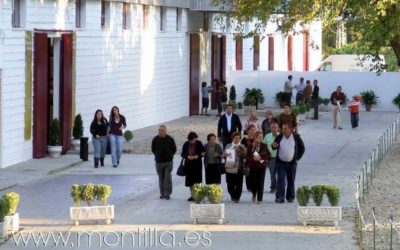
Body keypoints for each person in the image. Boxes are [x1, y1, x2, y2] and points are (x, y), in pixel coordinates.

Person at [272, 123, 305, 203]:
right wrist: (274, 145)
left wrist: (297, 158)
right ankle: (280, 197)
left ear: (290, 129)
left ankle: (290, 197)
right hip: (281, 163)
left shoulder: (296, 137)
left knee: (291, 180)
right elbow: (274, 146)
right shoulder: (279, 136)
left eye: (285, 129)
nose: (283, 130)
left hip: (292, 163)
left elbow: (302, 148)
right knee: (281, 180)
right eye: (283, 129)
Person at [151, 125, 177, 200]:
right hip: (159, 162)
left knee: (167, 178)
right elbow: (153, 149)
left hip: (168, 162)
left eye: (162, 130)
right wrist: (157, 155)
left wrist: (170, 155)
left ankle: (167, 193)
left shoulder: (170, 139)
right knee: (161, 178)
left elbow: (174, 149)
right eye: (159, 130)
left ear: (165, 131)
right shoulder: (155, 139)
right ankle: (162, 193)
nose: (160, 132)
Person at [246, 131, 270, 204]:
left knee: (261, 182)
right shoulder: (251, 146)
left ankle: (260, 199)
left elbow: (268, 155)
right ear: (255, 137)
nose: (261, 138)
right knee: (253, 182)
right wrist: (253, 159)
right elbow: (247, 156)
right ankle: (254, 193)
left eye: (262, 137)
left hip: (261, 166)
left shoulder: (264, 146)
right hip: (253, 166)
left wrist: (262, 158)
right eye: (259, 137)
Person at [181, 132, 206, 202]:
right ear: (189, 139)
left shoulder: (199, 143)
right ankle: (192, 196)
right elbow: (182, 154)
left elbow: (203, 152)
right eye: (193, 139)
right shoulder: (186, 144)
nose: (195, 140)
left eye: (195, 139)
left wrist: (198, 156)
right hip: (188, 165)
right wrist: (187, 156)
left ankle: (198, 195)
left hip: (197, 165)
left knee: (197, 181)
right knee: (190, 181)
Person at [224, 132, 247, 203]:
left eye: (238, 138)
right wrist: (225, 155)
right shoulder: (228, 145)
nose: (237, 140)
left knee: (239, 184)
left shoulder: (242, 146)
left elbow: (244, 156)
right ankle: (233, 195)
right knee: (230, 185)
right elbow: (224, 155)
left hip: (239, 167)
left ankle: (237, 198)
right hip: (229, 167)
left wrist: (240, 152)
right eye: (235, 138)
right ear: (232, 138)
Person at [263, 122, 279, 193]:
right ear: (270, 128)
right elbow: (263, 147)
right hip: (271, 158)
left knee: (280, 174)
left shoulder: (281, 136)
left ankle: (280, 187)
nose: (274, 129)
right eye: (272, 127)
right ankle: (273, 187)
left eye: (275, 127)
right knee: (272, 174)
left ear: (278, 128)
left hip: (280, 159)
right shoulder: (267, 136)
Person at [241, 125, 257, 192]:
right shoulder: (245, 139)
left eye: (254, 129)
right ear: (248, 131)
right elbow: (241, 148)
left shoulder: (256, 139)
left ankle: (254, 186)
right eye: (252, 130)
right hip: (247, 158)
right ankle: (249, 187)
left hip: (255, 157)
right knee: (248, 172)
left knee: (254, 173)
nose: (253, 131)